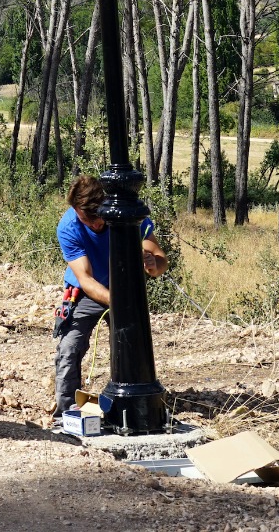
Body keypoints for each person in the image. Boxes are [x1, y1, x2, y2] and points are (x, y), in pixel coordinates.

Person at [52, 174, 168, 420]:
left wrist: (151, 263)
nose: (94, 225)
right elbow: (86, 279)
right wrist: (121, 304)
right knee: (69, 348)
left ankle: (132, 405)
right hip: (86, 294)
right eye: (87, 220)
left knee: (131, 347)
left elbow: (160, 263)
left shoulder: (127, 216)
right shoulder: (69, 226)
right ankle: (66, 412)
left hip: (124, 289)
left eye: (98, 219)